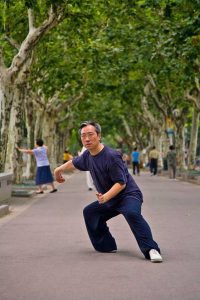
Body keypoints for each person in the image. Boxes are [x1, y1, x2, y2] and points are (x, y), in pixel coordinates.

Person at [54, 121, 162, 262]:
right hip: (110, 198)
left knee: (131, 213)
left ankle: (151, 249)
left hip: (128, 195)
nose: (86, 139)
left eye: (90, 135)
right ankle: (106, 245)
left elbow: (121, 183)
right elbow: (74, 162)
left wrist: (105, 197)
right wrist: (58, 170)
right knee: (90, 212)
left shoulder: (112, 156)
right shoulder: (87, 155)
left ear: (99, 136)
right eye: (83, 136)